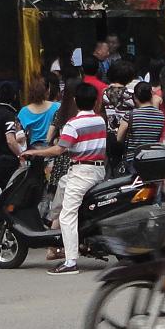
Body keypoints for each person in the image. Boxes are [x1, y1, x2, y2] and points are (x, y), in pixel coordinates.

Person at [25, 81, 108, 274]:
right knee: (62, 188)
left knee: (67, 215)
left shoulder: (73, 124)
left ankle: (70, 262)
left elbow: (58, 149)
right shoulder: (100, 121)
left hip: (81, 173)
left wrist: (34, 152)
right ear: (95, 101)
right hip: (96, 171)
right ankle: (53, 228)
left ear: (76, 101)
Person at [121, 80, 165, 150]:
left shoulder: (130, 115)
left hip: (133, 155)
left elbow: (119, 138)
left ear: (135, 98)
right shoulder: (160, 116)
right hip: (152, 154)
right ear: (151, 96)